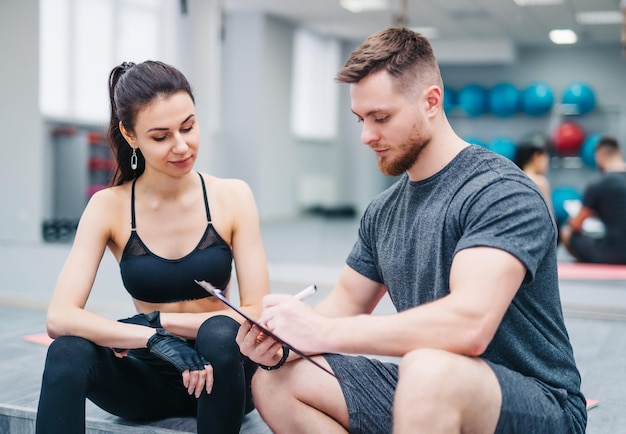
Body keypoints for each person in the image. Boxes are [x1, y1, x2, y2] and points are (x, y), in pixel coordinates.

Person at [236, 27, 586, 434]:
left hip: (537, 405)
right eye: (361, 119)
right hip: (430, 395)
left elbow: (469, 325)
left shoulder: (499, 190)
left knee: (428, 367)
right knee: (277, 381)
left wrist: (321, 330)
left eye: (381, 117)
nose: (367, 136)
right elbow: (343, 305)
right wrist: (282, 343)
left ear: (431, 101)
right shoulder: (383, 211)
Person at [36, 60, 270, 433]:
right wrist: (154, 338)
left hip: (223, 373)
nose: (181, 146)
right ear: (131, 136)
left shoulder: (232, 197)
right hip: (146, 379)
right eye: (161, 136)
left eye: (189, 127)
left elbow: (256, 313)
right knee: (66, 352)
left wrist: (160, 321)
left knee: (220, 331)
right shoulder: (108, 206)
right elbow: (59, 317)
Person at [560, 136, 626, 264]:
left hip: (614, 255)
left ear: (599, 155)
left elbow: (576, 224)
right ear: (620, 153)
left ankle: (584, 268)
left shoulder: (598, 184)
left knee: (566, 232)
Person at [514, 136, 553, 212]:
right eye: (546, 157)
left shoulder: (514, 178)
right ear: (537, 156)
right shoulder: (540, 182)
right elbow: (549, 217)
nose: (547, 163)